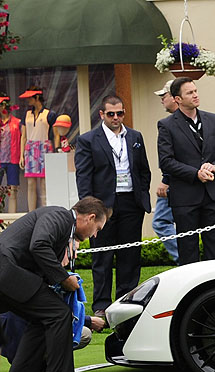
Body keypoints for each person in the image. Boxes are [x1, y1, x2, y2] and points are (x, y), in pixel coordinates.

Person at [0, 196, 109, 372]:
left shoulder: (61, 223)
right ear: (90, 218)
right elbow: (39, 245)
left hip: (8, 273)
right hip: (6, 271)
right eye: (97, 229)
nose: (95, 235)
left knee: (44, 317)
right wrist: (64, 279)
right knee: (59, 314)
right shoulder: (60, 215)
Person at [75, 96, 152, 317]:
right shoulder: (88, 140)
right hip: (101, 205)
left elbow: (144, 171)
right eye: (111, 114)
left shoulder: (135, 136)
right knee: (103, 256)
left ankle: (127, 303)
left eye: (120, 113)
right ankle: (101, 305)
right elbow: (84, 177)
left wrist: (142, 194)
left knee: (130, 254)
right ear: (102, 115)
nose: (116, 118)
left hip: (131, 201)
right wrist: (89, 209)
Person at [157, 77, 215, 265]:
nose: (195, 95)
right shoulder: (166, 125)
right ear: (178, 99)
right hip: (185, 198)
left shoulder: (211, 119)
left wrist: (214, 166)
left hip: (213, 195)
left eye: (196, 91)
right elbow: (166, 161)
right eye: (190, 93)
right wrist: (195, 173)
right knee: (188, 252)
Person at [152, 80, 179, 264]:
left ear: (175, 97)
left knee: (160, 222)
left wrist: (166, 179)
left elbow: (169, 156)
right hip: (181, 180)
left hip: (175, 182)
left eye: (164, 95)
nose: (162, 100)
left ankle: (184, 259)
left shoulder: (168, 123)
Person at [19, 86, 56, 211]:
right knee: (31, 183)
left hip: (45, 148)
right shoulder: (27, 114)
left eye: (30, 97)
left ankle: (46, 210)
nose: (28, 100)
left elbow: (56, 134)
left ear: (37, 98)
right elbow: (23, 136)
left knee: (44, 183)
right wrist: (21, 155)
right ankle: (31, 212)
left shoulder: (49, 114)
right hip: (30, 148)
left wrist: (55, 152)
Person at [0, 93, 22, 212]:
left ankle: (12, 217)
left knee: (12, 189)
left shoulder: (17, 123)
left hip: (13, 159)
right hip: (0, 159)